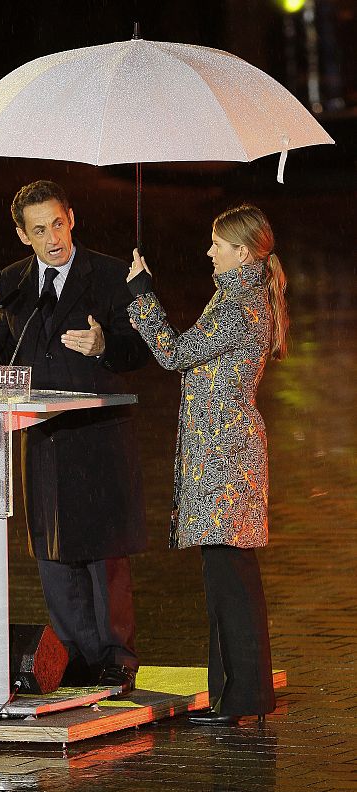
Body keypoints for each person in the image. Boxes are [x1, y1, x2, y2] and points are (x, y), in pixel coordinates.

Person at [0, 180, 148, 693]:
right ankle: (76, 656)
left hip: (97, 432)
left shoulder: (107, 273)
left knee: (103, 551)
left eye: (58, 223)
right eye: (40, 229)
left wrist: (106, 343)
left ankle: (116, 659)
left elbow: (141, 350)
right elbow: (2, 360)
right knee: (53, 551)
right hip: (41, 437)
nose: (53, 237)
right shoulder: (13, 282)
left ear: (72, 218)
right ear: (22, 235)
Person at [126, 204, 288, 724]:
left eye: (217, 244)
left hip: (224, 459)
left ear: (241, 252)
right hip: (224, 454)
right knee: (227, 580)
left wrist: (143, 295)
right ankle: (235, 695)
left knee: (230, 583)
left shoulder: (236, 303)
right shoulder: (242, 296)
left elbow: (173, 354)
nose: (209, 251)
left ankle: (242, 697)